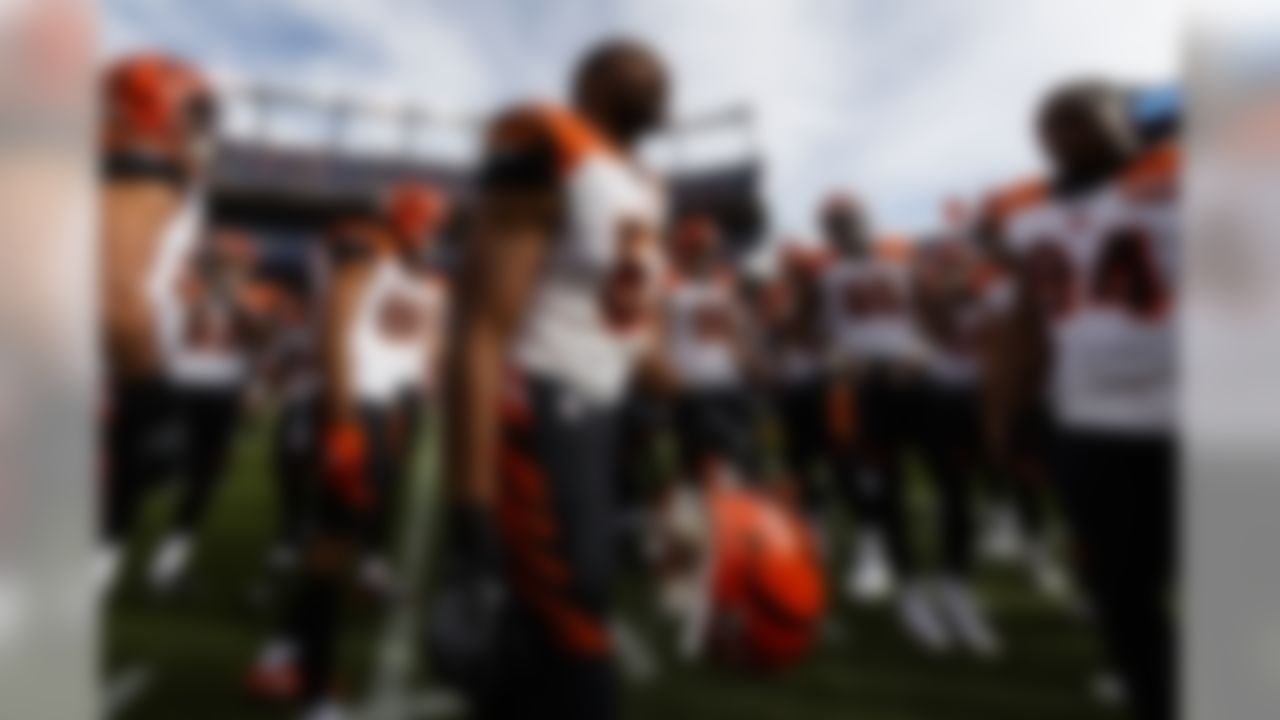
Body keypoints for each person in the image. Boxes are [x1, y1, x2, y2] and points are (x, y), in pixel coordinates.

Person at [430, 37, 670, 720]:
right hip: (535, 410)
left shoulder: (648, 184)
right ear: (586, 83)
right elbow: (479, 329)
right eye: (626, 61)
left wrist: (699, 402)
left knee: (538, 648)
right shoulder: (546, 138)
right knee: (572, 636)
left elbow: (629, 322)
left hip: (600, 412)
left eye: (656, 68)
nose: (651, 71)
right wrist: (469, 519)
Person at [1000, 80, 1177, 720]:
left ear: (1124, 121)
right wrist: (1013, 413)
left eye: (1078, 118)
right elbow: (1028, 324)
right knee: (1120, 590)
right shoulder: (1028, 216)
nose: (1061, 134)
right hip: (1089, 424)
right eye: (1049, 125)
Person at [248, 182, 448, 720]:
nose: (435, 234)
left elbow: (412, 344)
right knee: (334, 539)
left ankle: (285, 652)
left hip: (385, 406)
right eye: (429, 222)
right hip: (355, 404)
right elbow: (337, 326)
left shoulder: (412, 271)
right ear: (408, 218)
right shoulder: (363, 246)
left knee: (345, 535)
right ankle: (311, 692)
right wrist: (343, 422)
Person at [98, 53, 217, 595]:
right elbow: (115, 291)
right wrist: (153, 395)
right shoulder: (141, 166)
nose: (204, 133)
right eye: (195, 116)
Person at [663, 215, 757, 484]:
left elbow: (738, 332)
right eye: (702, 248)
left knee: (738, 458)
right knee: (697, 462)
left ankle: (738, 517)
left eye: (711, 248)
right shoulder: (671, 286)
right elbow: (660, 333)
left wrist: (748, 362)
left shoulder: (725, 285)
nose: (708, 254)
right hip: (692, 386)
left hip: (729, 382)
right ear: (688, 251)